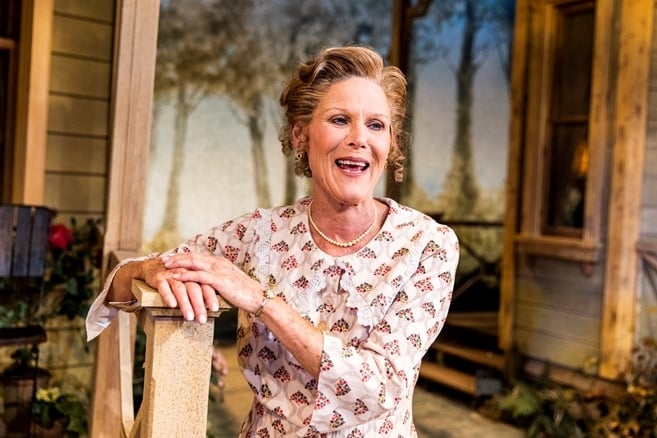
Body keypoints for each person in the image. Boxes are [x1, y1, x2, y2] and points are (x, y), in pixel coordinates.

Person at [87, 45, 459, 437]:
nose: (359, 138)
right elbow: (120, 284)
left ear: (391, 144)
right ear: (300, 134)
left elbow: (378, 387)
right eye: (339, 120)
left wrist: (260, 300)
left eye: (376, 125)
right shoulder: (260, 234)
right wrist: (151, 269)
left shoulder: (428, 246)